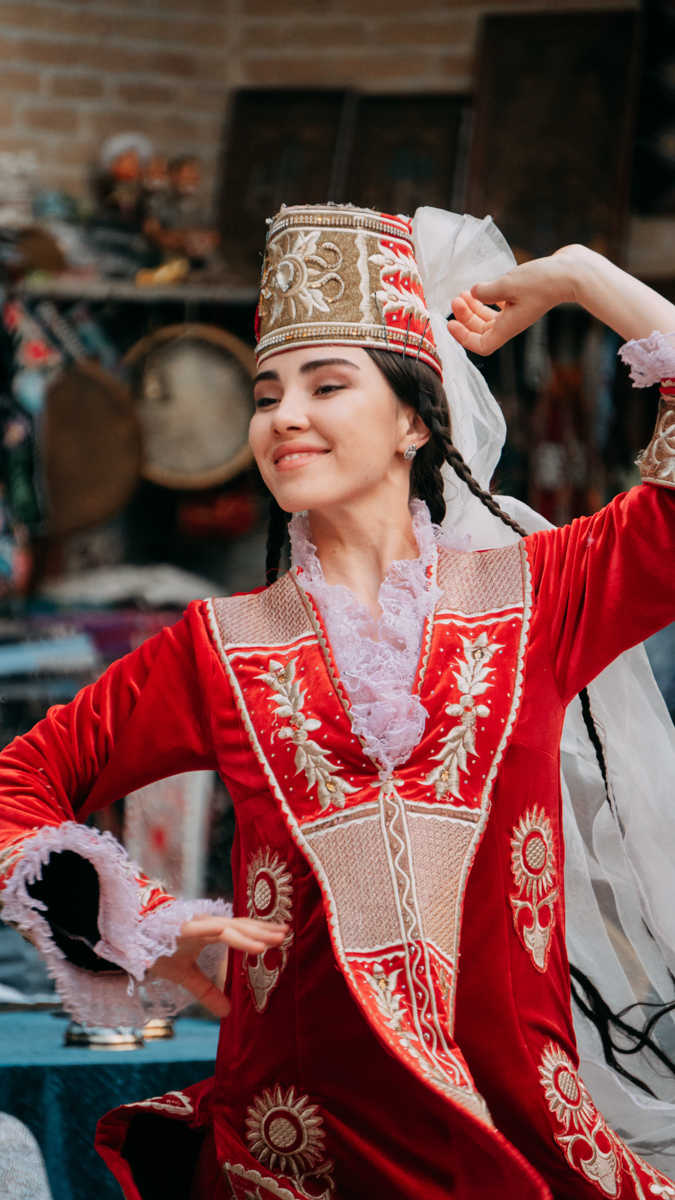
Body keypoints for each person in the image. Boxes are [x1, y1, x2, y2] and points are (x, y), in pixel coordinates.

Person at [0, 204, 674, 1200]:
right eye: (268, 394)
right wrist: (138, 922)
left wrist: (580, 276)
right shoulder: (220, 646)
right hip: (294, 1154)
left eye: (327, 385)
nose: (285, 416)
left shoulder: (541, 599)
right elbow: (20, 783)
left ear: (414, 418)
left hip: (515, 1143)